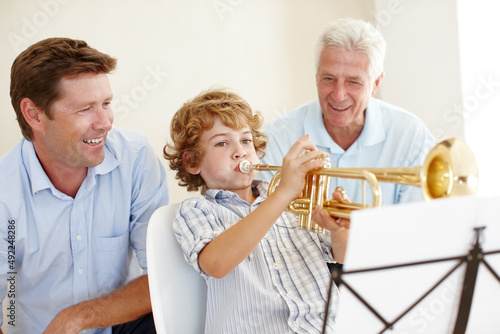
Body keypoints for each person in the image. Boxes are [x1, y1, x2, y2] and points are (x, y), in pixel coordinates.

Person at [0, 38, 170, 333]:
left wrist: (78, 318)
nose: (105, 122)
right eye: (85, 109)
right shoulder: (5, 191)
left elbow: (165, 275)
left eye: (106, 104)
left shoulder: (136, 157)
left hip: (123, 326)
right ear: (34, 114)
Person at [163, 89, 349, 333]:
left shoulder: (294, 205)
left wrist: (339, 228)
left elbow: (344, 256)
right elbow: (216, 263)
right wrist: (283, 193)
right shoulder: (196, 211)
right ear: (192, 161)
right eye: (221, 143)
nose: (239, 151)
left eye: (245, 140)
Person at [261, 18, 435, 221]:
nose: (338, 95)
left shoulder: (410, 134)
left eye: (353, 82)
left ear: (376, 83)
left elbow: (419, 225)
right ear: (316, 77)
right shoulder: (275, 139)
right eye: (329, 79)